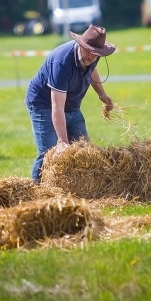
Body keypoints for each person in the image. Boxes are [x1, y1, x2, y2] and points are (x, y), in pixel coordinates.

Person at [25, 24, 116, 182]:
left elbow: (92, 69)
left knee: (84, 149)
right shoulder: (61, 63)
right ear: (81, 44)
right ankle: (35, 191)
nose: (93, 57)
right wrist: (62, 141)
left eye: (97, 54)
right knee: (49, 151)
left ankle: (78, 188)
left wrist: (102, 94)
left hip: (71, 105)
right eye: (90, 52)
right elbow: (57, 106)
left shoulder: (92, 55)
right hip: (43, 103)